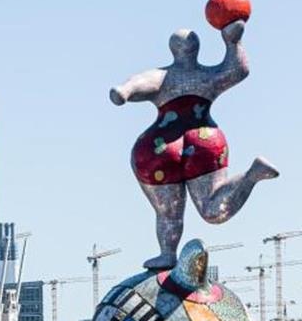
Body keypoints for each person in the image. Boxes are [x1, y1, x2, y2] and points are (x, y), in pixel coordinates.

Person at [109, 20, 278, 270]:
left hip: (161, 145)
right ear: (196, 49)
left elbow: (140, 83)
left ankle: (167, 253)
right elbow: (237, 71)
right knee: (213, 211)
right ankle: (252, 175)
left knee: (168, 213)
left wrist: (124, 91)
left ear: (172, 50)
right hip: (204, 139)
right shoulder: (207, 77)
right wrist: (233, 42)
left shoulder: (163, 76)